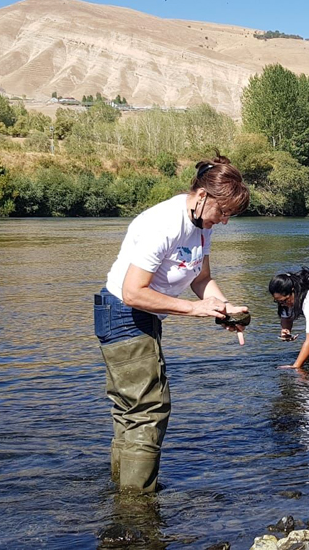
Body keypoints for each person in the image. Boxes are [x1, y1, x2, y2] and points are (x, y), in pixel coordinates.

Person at [93, 156, 249, 493]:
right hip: (122, 312)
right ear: (203, 196)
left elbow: (201, 277)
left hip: (142, 317)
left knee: (131, 410)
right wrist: (194, 311)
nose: (223, 222)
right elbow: (133, 292)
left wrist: (223, 308)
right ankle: (137, 505)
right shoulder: (164, 222)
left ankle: (124, 492)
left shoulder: (201, 225)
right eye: (223, 213)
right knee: (149, 409)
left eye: (229, 217)